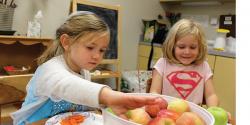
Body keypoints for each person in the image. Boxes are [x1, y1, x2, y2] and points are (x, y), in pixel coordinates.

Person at [11, 11, 161, 125]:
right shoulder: (49, 70)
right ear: (66, 42)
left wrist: (108, 110)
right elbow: (68, 85)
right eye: (90, 47)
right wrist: (110, 96)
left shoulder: (84, 72)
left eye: (102, 50)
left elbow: (87, 105)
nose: (97, 56)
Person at [149, 19, 231, 120]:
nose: (187, 52)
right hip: (167, 116)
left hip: (195, 117)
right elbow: (154, 92)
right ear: (172, 46)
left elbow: (211, 95)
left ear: (200, 48)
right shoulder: (162, 64)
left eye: (193, 47)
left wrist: (214, 112)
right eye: (181, 47)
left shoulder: (204, 66)